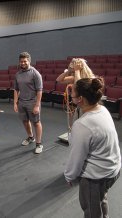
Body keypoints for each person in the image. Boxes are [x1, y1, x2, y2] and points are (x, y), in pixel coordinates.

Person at [64, 77, 121, 218]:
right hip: (113, 170)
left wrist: (69, 176)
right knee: (102, 199)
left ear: (80, 99)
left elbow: (76, 158)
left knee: (91, 210)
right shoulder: (102, 109)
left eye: (73, 93)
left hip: (96, 178)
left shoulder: (82, 124)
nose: (70, 95)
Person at [13, 52, 43, 154]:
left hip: (32, 102)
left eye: (25, 61)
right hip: (21, 102)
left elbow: (39, 90)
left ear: (29, 61)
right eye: (21, 61)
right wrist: (15, 103)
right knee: (25, 121)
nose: (23, 63)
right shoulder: (18, 74)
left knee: (36, 122)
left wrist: (37, 105)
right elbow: (16, 89)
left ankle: (39, 144)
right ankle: (31, 137)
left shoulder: (35, 73)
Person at [56, 58, 95, 128]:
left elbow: (79, 85)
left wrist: (77, 70)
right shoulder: (74, 77)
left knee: (85, 126)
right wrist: (68, 71)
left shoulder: (90, 79)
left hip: (88, 107)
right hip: (79, 106)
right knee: (75, 124)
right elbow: (59, 80)